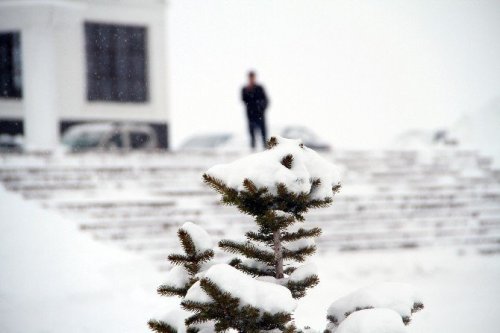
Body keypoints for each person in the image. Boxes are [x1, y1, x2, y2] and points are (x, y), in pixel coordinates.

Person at [241, 71, 269, 149]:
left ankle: (265, 149)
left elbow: (266, 100)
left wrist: (261, 108)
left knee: (263, 134)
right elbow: (243, 99)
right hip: (250, 115)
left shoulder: (260, 88)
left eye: (252, 77)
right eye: (250, 78)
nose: (251, 79)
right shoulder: (245, 89)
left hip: (260, 115)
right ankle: (253, 150)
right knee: (252, 135)